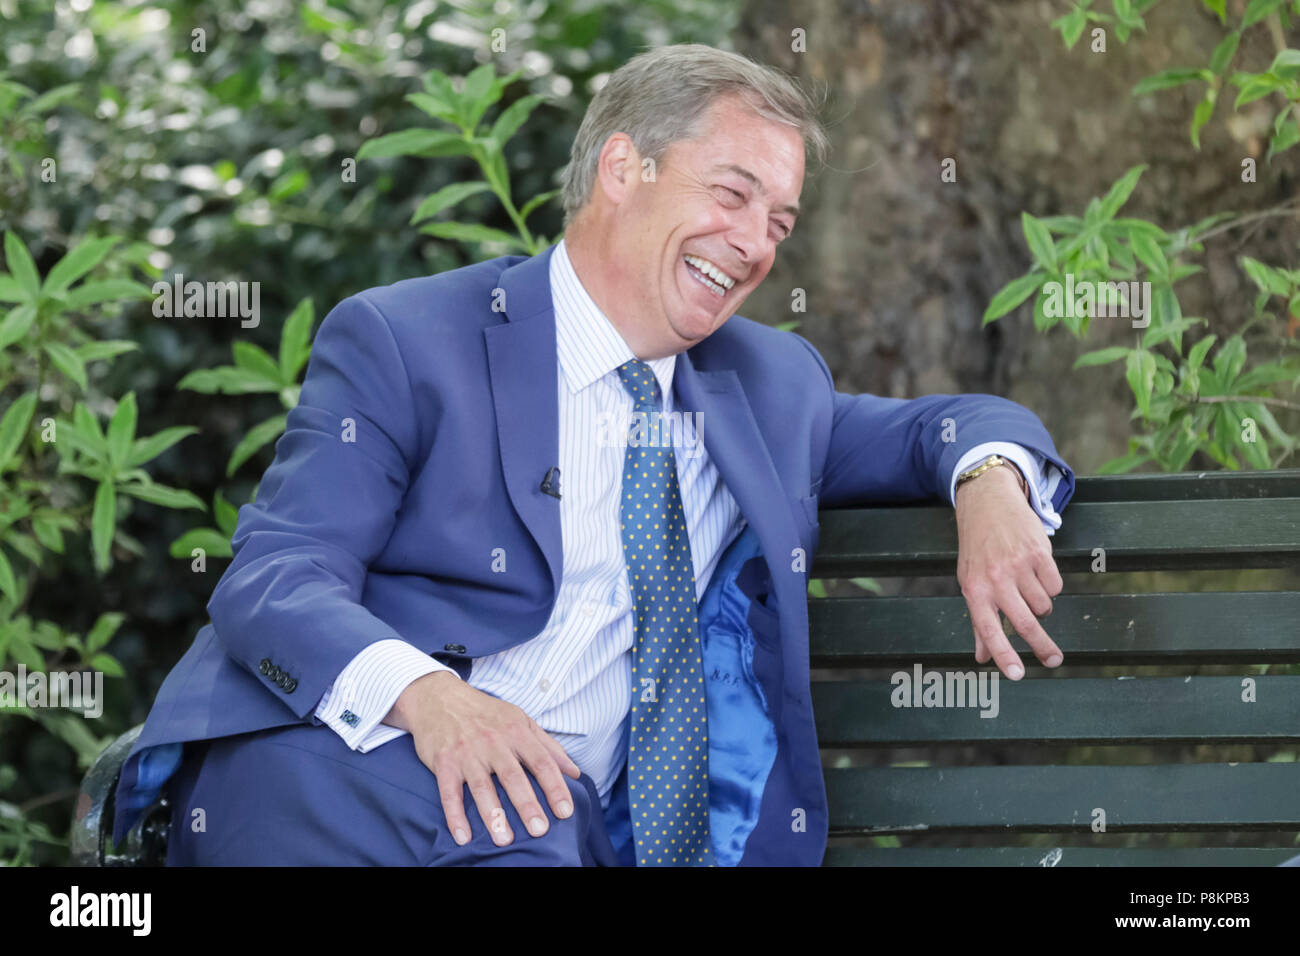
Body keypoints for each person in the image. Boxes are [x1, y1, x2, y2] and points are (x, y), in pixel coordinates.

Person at [112, 43, 1075, 866]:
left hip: (559, 828)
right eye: (732, 195)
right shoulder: (410, 340)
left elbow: (940, 427)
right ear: (624, 168)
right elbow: (275, 578)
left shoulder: (773, 388)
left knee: (531, 821)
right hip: (343, 765)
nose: (752, 245)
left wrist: (991, 482)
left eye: (778, 222)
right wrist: (433, 699)